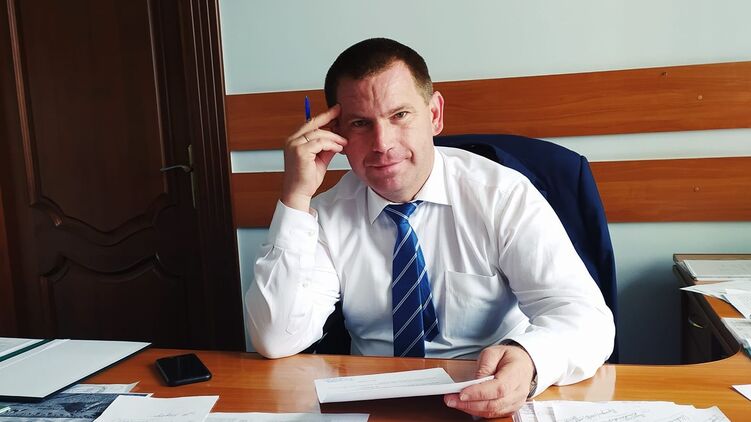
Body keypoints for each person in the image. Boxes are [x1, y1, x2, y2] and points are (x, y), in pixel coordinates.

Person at [247, 38, 615, 418]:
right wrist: (295, 197)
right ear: (337, 132)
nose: (382, 143)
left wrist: (530, 360)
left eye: (400, 115)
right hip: (374, 404)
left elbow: (586, 318)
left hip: (486, 397)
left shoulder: (502, 195)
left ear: (435, 114)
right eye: (360, 123)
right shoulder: (325, 215)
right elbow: (276, 338)